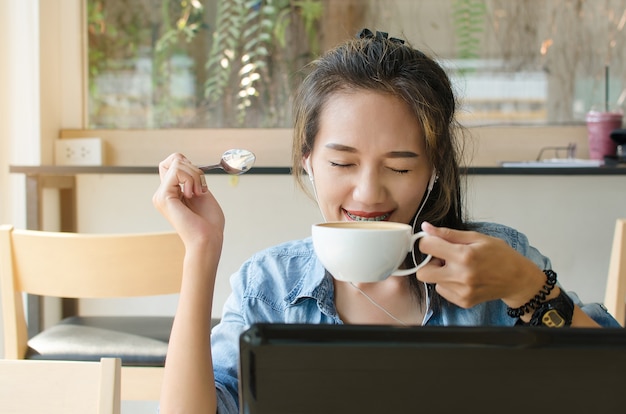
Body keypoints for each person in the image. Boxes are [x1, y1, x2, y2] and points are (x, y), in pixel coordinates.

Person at [152, 28, 620, 413]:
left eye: (399, 167)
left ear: (434, 170)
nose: (368, 193)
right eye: (342, 164)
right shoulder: (270, 286)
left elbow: (612, 389)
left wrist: (526, 287)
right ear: (308, 162)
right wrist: (201, 250)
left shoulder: (495, 265)